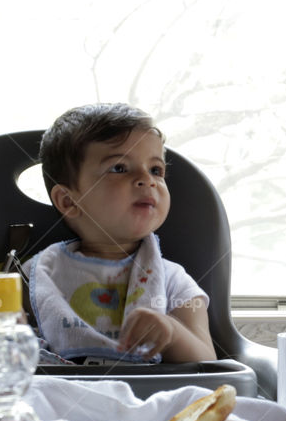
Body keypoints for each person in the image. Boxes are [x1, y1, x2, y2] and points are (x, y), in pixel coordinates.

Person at [28, 102, 216, 364]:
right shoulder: (37, 276)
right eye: (119, 168)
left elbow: (207, 363)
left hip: (149, 400)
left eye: (155, 170)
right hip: (61, 397)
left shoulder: (173, 282)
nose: (147, 180)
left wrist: (172, 333)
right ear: (69, 201)